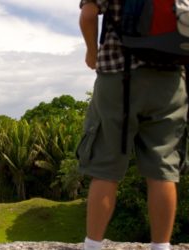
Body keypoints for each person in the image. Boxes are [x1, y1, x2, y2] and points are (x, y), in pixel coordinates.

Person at [77, 1, 188, 250]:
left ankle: (93, 245)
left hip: (119, 74)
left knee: (106, 165)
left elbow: (88, 15)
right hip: (171, 80)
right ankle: (161, 246)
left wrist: (92, 52)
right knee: (163, 167)